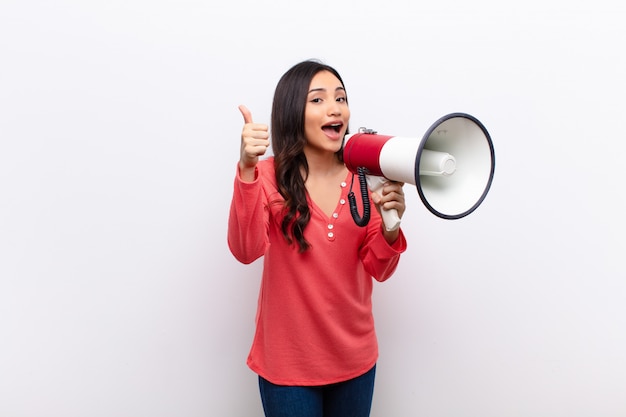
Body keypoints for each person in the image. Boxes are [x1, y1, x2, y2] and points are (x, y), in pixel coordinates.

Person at [227, 59, 407, 417]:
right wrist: (247, 169)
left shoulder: (365, 177)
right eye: (318, 100)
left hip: (355, 360)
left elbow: (379, 269)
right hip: (288, 366)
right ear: (293, 112)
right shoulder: (266, 175)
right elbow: (246, 251)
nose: (334, 108)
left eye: (340, 98)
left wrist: (391, 224)